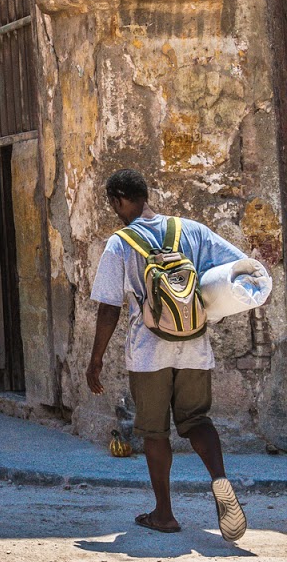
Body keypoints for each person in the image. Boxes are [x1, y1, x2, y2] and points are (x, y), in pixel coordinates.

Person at [87, 168, 247, 540]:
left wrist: (95, 360)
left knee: (154, 431)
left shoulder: (120, 243)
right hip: (194, 345)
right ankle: (219, 479)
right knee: (197, 420)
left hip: (148, 352)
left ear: (118, 201)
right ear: (146, 195)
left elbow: (109, 308)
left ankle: (164, 514)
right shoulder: (191, 231)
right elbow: (235, 269)